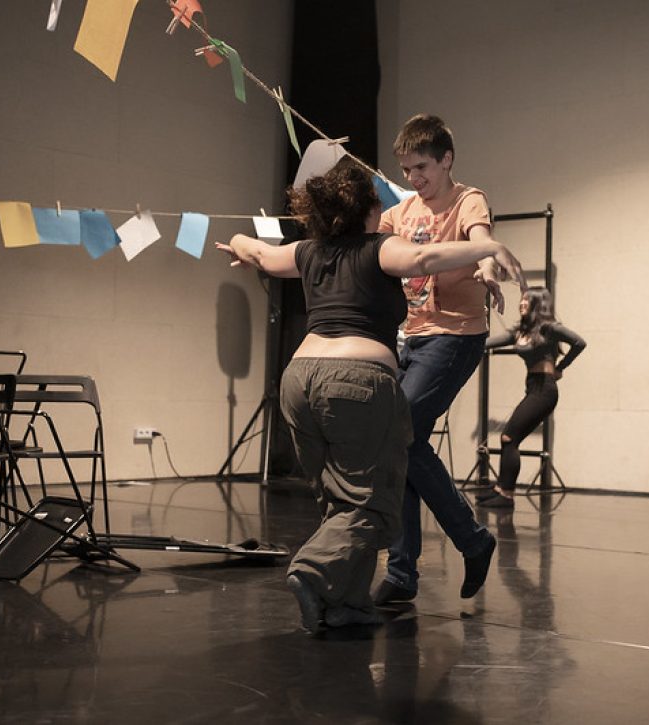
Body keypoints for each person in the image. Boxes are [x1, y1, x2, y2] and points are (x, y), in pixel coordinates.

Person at [216, 163, 525, 633]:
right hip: (356, 383)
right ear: (368, 211)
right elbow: (423, 260)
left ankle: (347, 606)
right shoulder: (381, 249)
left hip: (298, 384)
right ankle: (312, 570)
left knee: (340, 500)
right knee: (372, 508)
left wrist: (240, 247)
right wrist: (487, 246)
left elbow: (256, 251)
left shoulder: (306, 251)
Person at [373, 114, 526, 606]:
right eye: (406, 169)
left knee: (399, 431)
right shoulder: (402, 210)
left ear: (446, 160)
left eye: (422, 167)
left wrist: (484, 265)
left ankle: (465, 540)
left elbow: (481, 241)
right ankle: (407, 573)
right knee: (399, 442)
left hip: (455, 337)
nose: (414, 178)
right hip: (408, 338)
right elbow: (377, 249)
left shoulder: (467, 199)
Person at [478, 287, 586, 508]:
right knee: (508, 439)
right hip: (533, 387)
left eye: (527, 300)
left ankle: (506, 495)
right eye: (522, 300)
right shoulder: (519, 332)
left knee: (509, 438)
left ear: (538, 304)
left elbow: (579, 342)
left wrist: (560, 367)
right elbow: (485, 344)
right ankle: (501, 489)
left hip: (545, 390)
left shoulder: (548, 328)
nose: (522, 303)